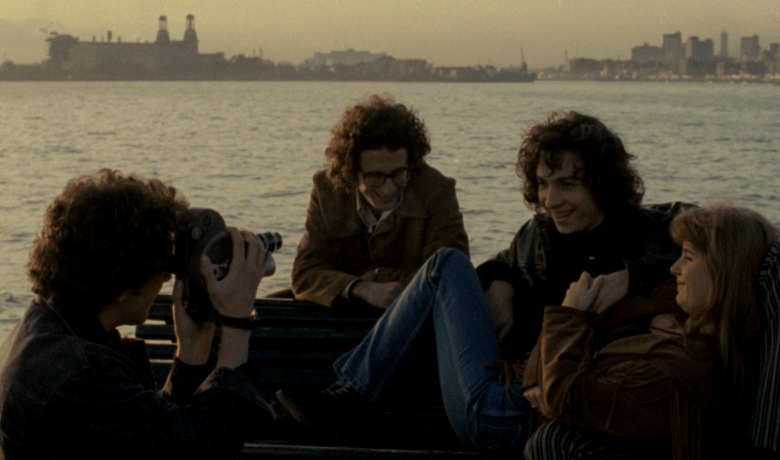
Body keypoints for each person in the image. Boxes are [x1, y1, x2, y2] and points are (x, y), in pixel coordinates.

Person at [269, 111, 690, 452]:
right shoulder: (539, 236)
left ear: (603, 181)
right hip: (504, 387)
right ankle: (350, 398)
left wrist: (630, 276)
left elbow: (719, 237)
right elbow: (498, 263)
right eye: (543, 185)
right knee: (448, 265)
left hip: (518, 412)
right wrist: (500, 281)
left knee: (444, 263)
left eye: (567, 185)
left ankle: (350, 398)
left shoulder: (653, 231)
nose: (551, 200)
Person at [0, 170, 270, 459]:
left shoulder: (48, 328)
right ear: (123, 285)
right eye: (160, 265)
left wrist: (193, 350)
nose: (167, 276)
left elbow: (152, 437)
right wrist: (237, 322)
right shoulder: (78, 374)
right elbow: (202, 452)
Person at [522, 204, 780, 460]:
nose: (674, 268)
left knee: (552, 438)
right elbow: (590, 320)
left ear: (723, 272)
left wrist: (569, 311)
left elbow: (566, 399)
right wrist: (535, 374)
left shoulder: (681, 375)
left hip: (546, 399)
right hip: (540, 381)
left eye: (688, 257)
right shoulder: (675, 300)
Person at [291, 94, 469, 309]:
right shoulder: (326, 190)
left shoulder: (437, 191)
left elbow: (451, 277)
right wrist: (363, 289)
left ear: (411, 164)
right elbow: (304, 274)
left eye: (399, 174)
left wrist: (377, 276)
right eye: (375, 177)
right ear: (351, 174)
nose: (389, 189)